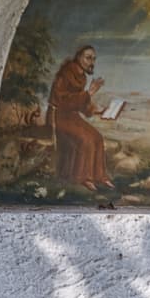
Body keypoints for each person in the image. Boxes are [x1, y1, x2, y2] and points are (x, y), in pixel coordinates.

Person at [48, 44, 112, 190]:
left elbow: (78, 102)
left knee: (98, 137)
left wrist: (95, 110)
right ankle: (84, 178)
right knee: (86, 139)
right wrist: (89, 93)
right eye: (88, 58)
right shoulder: (65, 74)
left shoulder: (81, 76)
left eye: (94, 59)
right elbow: (62, 101)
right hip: (59, 116)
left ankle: (100, 176)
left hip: (72, 115)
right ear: (78, 58)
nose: (92, 62)